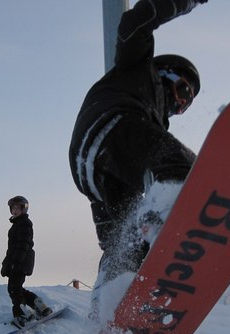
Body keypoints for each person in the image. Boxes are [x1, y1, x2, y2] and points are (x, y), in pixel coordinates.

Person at [68, 0, 207, 308]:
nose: (180, 105)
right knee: (183, 166)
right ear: (165, 73)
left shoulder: (153, 120)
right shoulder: (139, 67)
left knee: (125, 242)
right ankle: (171, 225)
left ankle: (109, 302)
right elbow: (134, 22)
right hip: (112, 126)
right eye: (184, 92)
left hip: (91, 170)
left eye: (187, 105)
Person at [0, 195, 52, 328]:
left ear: (24, 209)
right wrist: (6, 264)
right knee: (17, 288)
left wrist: (16, 262)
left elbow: (23, 244)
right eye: (13, 208)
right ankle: (41, 307)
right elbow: (12, 248)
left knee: (14, 289)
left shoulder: (24, 223)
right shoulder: (18, 224)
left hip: (20, 261)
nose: (15, 210)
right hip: (19, 260)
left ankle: (21, 314)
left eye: (18, 208)